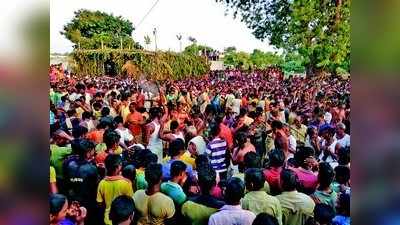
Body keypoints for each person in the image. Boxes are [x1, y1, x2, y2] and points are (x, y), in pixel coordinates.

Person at [63, 139, 98, 225]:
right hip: (86, 200)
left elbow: (66, 181)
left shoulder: (68, 164)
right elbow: (94, 186)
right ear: (88, 152)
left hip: (72, 198)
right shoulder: (92, 168)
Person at [96, 154, 134, 225]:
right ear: (118, 167)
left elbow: (99, 203)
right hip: (122, 221)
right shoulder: (126, 183)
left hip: (107, 219)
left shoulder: (102, 183)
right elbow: (130, 203)